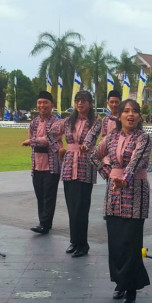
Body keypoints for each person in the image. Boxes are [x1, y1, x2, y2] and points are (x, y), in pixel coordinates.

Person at [91, 99, 151, 303]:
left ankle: (132, 288)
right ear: (119, 116)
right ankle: (120, 283)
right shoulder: (111, 137)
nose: (131, 115)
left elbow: (136, 163)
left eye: (134, 111)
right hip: (113, 195)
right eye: (126, 111)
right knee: (116, 241)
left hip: (135, 193)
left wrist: (124, 179)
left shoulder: (144, 138)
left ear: (139, 116)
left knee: (131, 242)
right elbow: (93, 156)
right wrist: (108, 174)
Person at [55, 90, 101, 257]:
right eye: (77, 101)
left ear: (90, 103)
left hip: (84, 166)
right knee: (71, 207)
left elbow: (90, 138)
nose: (80, 104)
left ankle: (83, 244)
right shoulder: (68, 121)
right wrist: (59, 149)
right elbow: (51, 134)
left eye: (84, 101)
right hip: (68, 166)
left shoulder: (96, 122)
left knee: (81, 208)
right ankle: (74, 241)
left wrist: (86, 145)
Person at [23, 91, 63, 235]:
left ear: (52, 105)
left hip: (51, 165)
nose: (42, 105)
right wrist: (33, 142)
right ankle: (44, 222)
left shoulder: (56, 122)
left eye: (45, 103)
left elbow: (49, 139)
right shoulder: (34, 122)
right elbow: (33, 142)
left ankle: (44, 224)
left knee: (49, 196)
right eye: (40, 103)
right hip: (37, 164)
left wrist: (32, 141)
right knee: (40, 195)